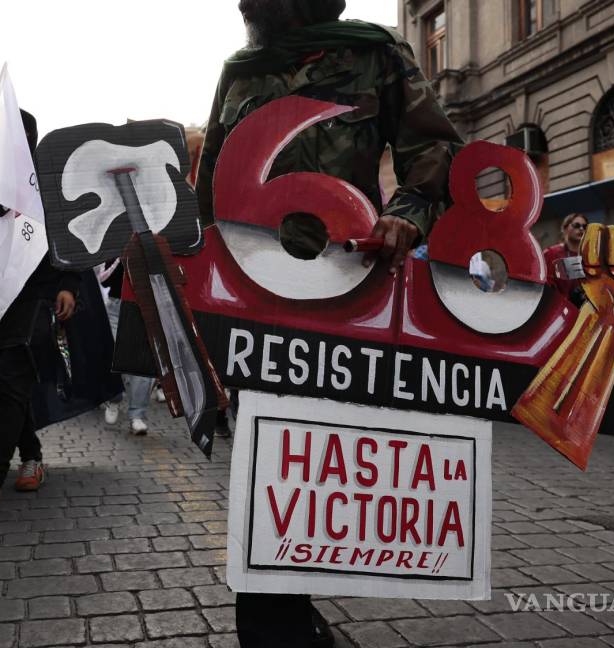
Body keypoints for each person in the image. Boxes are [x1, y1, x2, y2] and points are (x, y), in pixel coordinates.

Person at [196, 1, 463, 646]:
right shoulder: (240, 72)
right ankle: (273, 623)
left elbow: (434, 152)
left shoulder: (376, 52)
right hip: (251, 303)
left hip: (345, 300)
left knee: (314, 465)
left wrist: (405, 217)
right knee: (263, 463)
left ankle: (286, 608)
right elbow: (208, 188)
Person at [0, 108, 78, 516]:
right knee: (5, 384)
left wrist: (68, 285)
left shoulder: (49, 185)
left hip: (37, 299)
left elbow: (71, 236)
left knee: (13, 378)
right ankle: (32, 455)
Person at [99, 259, 151, 435]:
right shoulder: (117, 241)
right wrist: (120, 258)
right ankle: (114, 398)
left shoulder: (155, 242)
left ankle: (137, 415)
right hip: (116, 306)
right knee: (114, 357)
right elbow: (104, 279)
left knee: (141, 365)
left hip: (144, 308)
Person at [543, 213, 588, 306]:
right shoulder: (551, 253)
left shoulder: (591, 255)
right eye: (576, 225)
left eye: (584, 226)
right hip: (560, 308)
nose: (581, 229)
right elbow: (544, 284)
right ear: (565, 228)